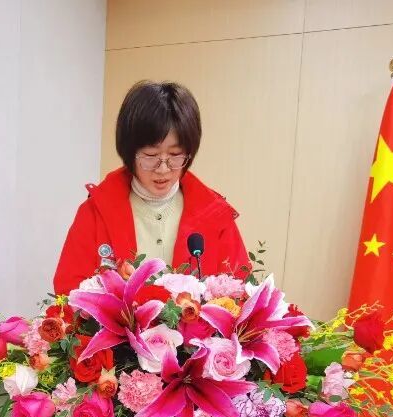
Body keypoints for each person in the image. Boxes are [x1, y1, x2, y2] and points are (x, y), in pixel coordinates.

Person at [52, 81, 250, 295]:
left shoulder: (215, 215)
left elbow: (239, 294)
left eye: (175, 155)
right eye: (150, 155)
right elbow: (69, 292)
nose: (163, 169)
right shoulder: (96, 213)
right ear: (130, 152)